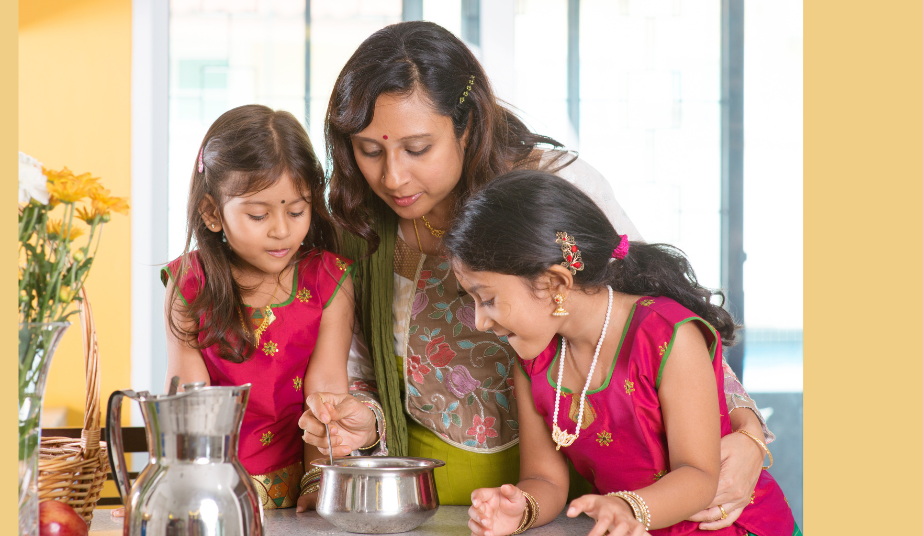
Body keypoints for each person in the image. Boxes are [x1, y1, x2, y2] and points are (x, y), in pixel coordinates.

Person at [299, 21, 772, 526]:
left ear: (467, 125)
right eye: (370, 150)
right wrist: (360, 426)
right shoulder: (357, 223)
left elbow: (654, 312)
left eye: (417, 149)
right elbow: (362, 373)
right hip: (437, 500)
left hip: (592, 501)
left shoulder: (551, 189)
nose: (392, 177)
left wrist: (748, 435)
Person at [449, 170, 798, 536]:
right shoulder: (533, 362)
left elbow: (699, 476)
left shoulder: (666, 336)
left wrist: (625, 507)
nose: (479, 322)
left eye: (487, 299)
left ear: (555, 283)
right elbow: (544, 478)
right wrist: (520, 508)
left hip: (733, 527)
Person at [161, 104, 356, 511]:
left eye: (297, 210)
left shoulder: (329, 280)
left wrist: (319, 483)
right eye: (258, 214)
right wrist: (192, 496)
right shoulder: (189, 283)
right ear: (213, 213)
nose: (282, 229)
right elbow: (188, 403)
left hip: (298, 493)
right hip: (210, 493)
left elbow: (326, 397)